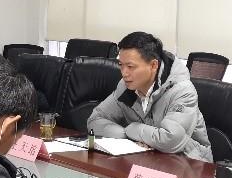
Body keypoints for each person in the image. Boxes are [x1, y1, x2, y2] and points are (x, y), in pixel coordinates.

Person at [87, 31, 212, 162]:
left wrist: (134, 129)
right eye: (121, 65)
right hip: (149, 159)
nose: (124, 73)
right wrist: (126, 134)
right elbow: (95, 120)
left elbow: (171, 140)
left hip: (191, 163)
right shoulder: (124, 86)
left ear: (153, 65)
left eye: (130, 66)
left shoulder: (182, 91)